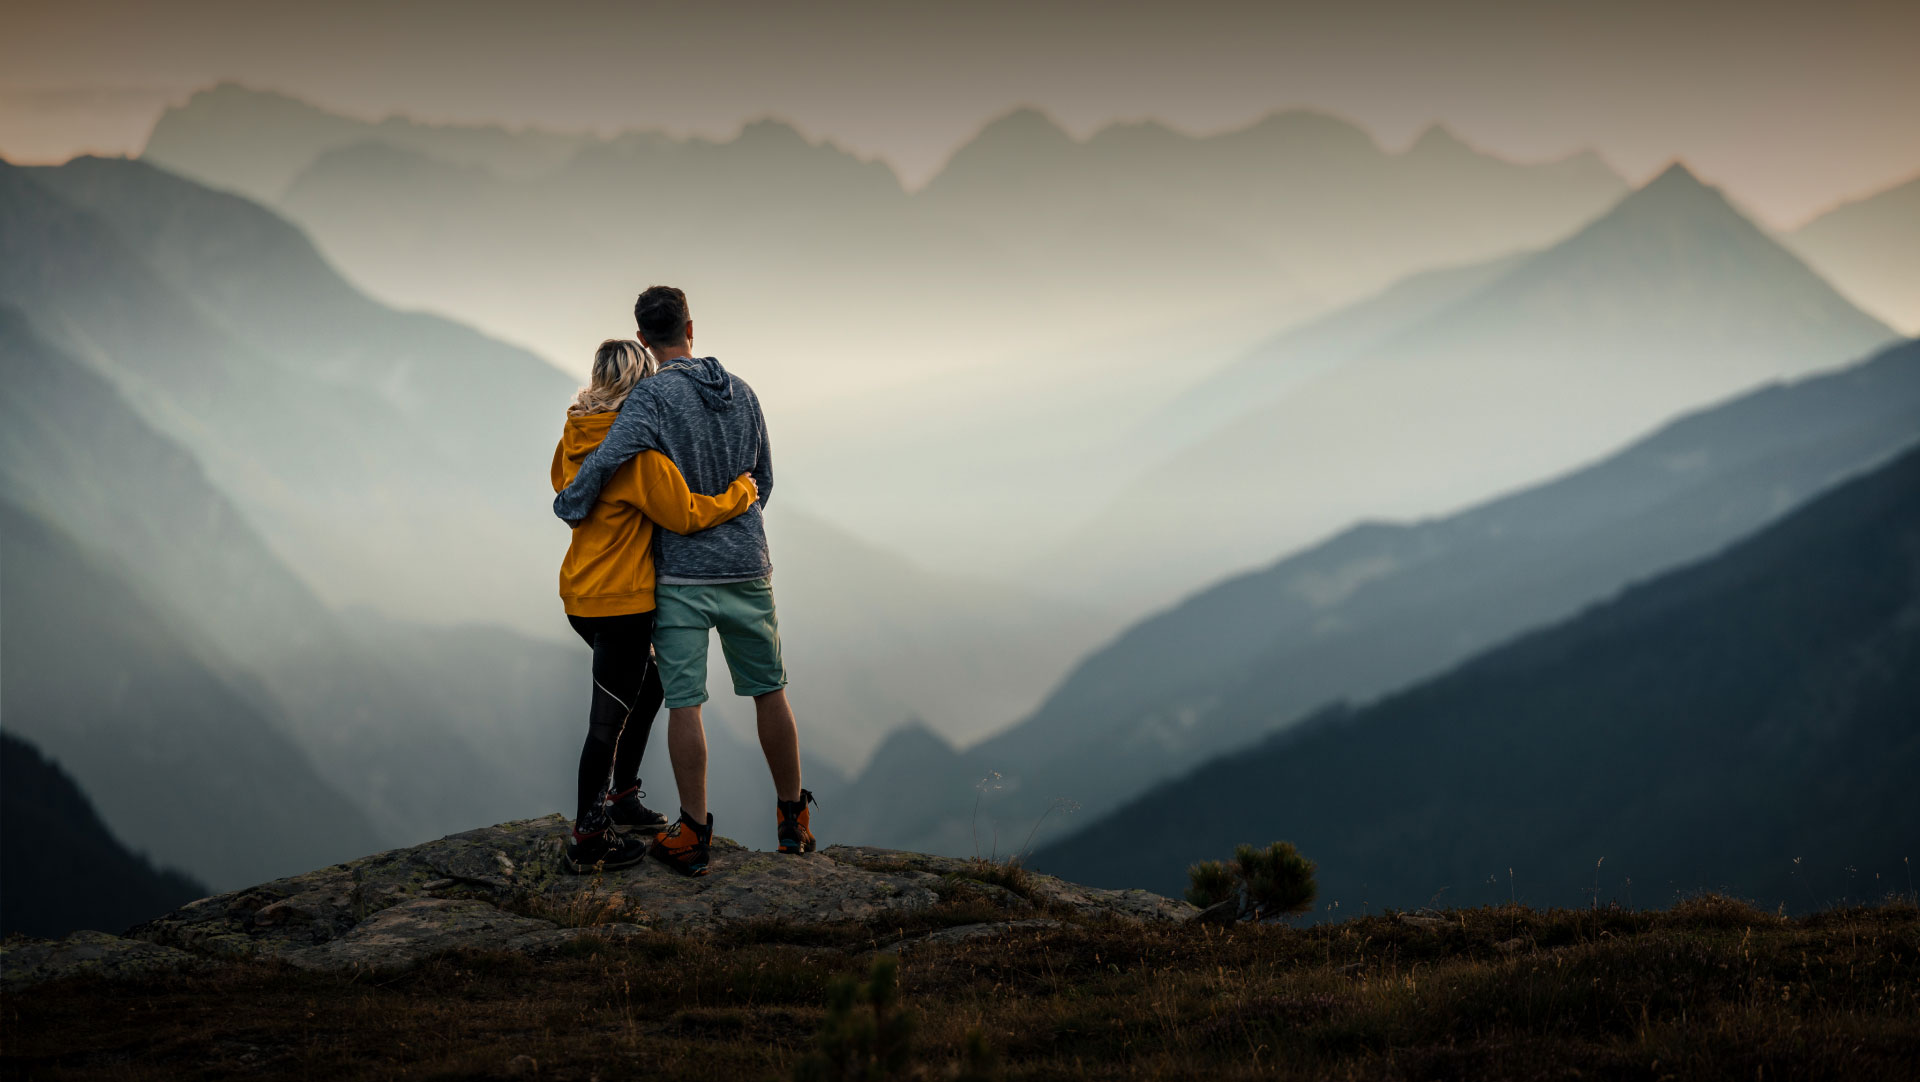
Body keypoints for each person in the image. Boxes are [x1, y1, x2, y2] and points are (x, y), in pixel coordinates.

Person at [553, 285, 811, 877]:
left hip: (680, 579)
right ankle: (793, 817)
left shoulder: (649, 398)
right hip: (748, 567)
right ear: (691, 327)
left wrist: (573, 501)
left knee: (685, 703)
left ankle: (693, 832)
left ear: (644, 337)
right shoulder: (743, 392)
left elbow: (609, 453)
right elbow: (763, 479)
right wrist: (741, 514)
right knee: (769, 689)